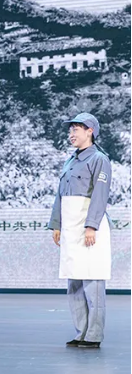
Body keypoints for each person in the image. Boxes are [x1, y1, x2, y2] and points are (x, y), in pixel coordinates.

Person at [49, 113, 112, 349]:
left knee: (92, 281)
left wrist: (91, 226)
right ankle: (80, 332)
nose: (71, 134)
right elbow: (60, 194)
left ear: (90, 131)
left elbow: (100, 195)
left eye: (76, 129)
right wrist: (56, 224)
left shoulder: (99, 159)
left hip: (89, 227)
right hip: (70, 225)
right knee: (74, 281)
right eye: (71, 129)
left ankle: (93, 335)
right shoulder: (70, 161)